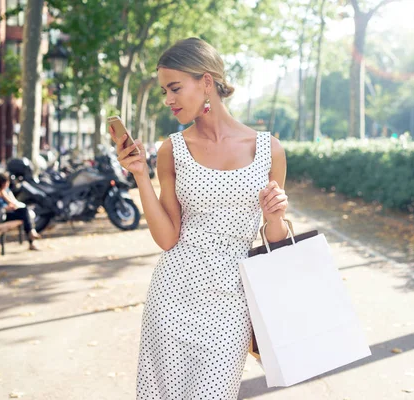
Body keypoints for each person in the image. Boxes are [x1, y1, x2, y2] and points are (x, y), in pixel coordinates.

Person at [109, 37, 290, 399]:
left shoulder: (268, 149)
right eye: (164, 91)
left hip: (232, 298)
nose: (168, 100)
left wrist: (275, 215)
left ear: (206, 82)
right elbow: (167, 238)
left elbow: (278, 240)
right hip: (173, 293)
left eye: (175, 88)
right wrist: (140, 176)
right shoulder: (171, 149)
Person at [0, 173, 41, 251]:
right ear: (2, 183)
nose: (8, 185)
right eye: (6, 183)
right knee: (25, 214)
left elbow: (14, 203)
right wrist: (5, 209)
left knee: (24, 212)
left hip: (8, 214)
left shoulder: (5, 191)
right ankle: (32, 237)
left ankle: (32, 236)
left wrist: (5, 196)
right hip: (1, 216)